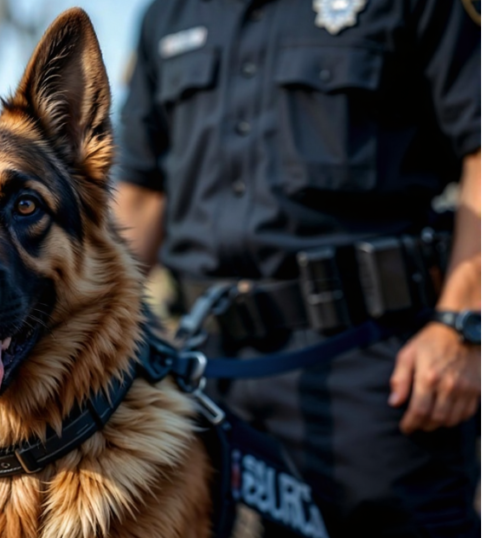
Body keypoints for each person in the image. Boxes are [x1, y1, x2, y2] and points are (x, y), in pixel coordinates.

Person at [112, 1, 480, 537]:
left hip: (380, 370)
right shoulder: (168, 13)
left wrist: (464, 325)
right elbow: (141, 196)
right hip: (205, 372)